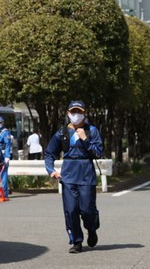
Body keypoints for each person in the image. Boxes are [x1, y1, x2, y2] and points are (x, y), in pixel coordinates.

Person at [45, 100, 103, 254]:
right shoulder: (62, 133)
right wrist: (51, 170)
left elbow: (98, 153)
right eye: (73, 112)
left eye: (79, 112)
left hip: (86, 175)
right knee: (71, 210)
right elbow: (50, 153)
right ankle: (76, 241)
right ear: (68, 113)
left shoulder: (92, 131)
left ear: (85, 114)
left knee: (87, 210)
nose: (76, 115)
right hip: (68, 176)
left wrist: (85, 139)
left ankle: (91, 229)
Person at [0, 116, 12, 198]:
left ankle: (4, 193)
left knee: (3, 174)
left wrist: (7, 156)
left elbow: (7, 144)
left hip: (3, 155)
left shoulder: (5, 132)